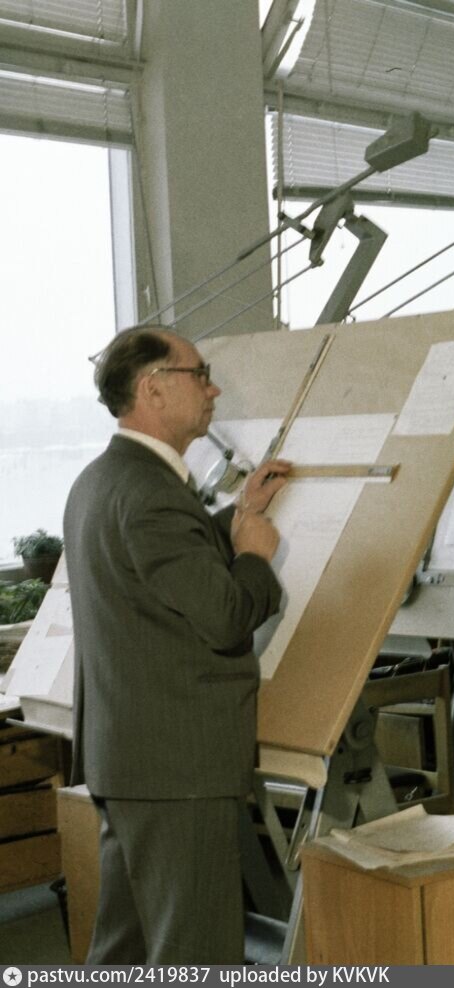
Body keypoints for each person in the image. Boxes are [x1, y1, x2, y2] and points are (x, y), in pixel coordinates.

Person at [64, 326, 291, 963]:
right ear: (154, 389)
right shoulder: (152, 495)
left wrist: (236, 514)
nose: (213, 390)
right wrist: (253, 557)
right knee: (196, 955)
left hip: (131, 761)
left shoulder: (102, 480)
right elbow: (225, 617)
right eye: (200, 374)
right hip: (178, 770)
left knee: (126, 950)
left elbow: (161, 569)